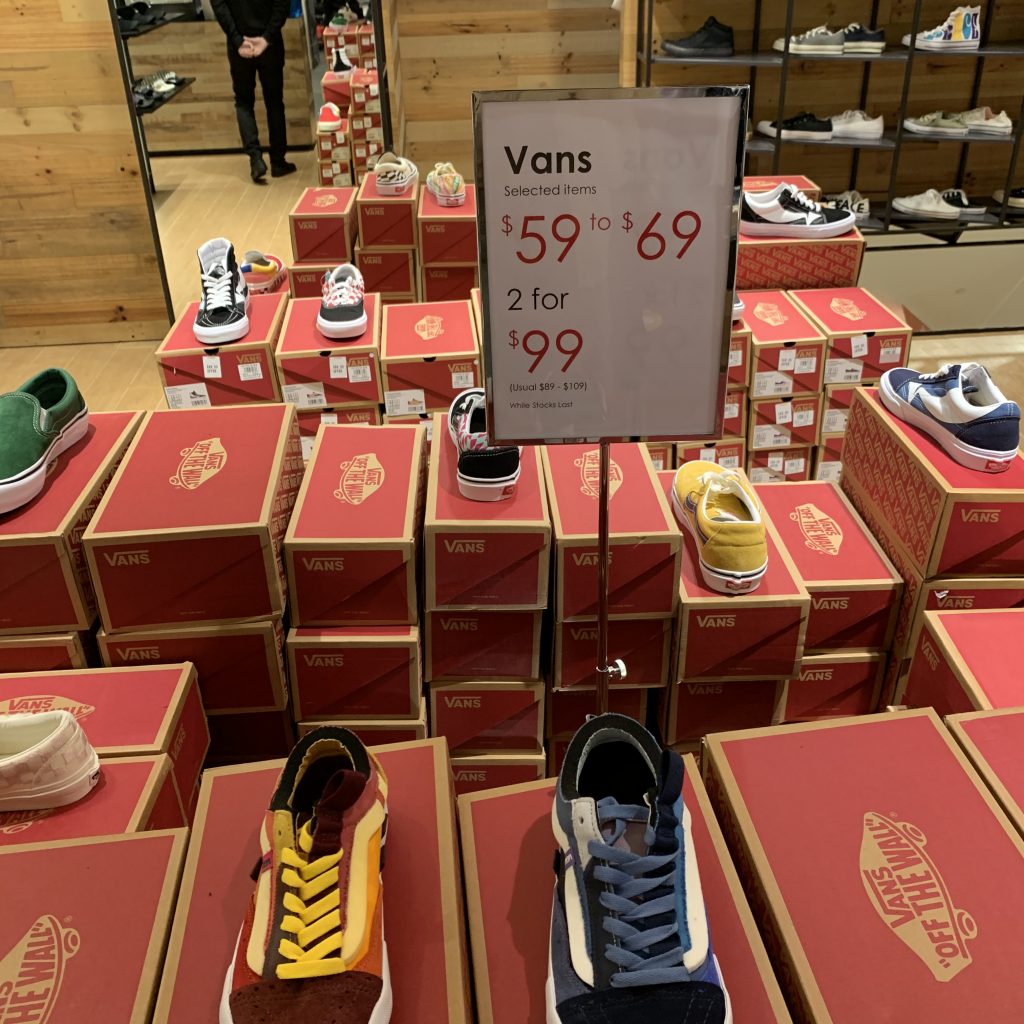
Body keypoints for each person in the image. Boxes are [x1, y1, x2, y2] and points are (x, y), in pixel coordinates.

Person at [211, 0, 297, 182]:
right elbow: (282, 5)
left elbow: (219, 6)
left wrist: (237, 40)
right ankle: (278, 161)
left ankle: (255, 159)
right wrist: (266, 38)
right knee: (274, 102)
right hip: (270, 45)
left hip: (239, 45)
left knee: (243, 102)